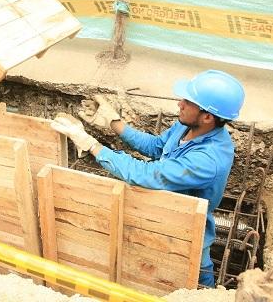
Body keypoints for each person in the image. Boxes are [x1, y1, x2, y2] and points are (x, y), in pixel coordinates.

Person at [51, 70, 245, 287]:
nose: (179, 104)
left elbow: (145, 175)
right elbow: (156, 146)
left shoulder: (208, 159)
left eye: (188, 102)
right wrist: (115, 123)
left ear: (207, 117)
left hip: (184, 229)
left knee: (195, 277)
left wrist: (91, 144)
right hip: (158, 216)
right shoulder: (187, 125)